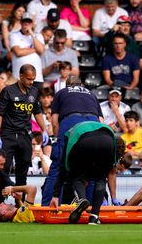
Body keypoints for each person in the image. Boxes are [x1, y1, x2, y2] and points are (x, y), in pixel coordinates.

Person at [41, 75, 103, 206]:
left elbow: (54, 121)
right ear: (82, 85)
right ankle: (92, 211)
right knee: (93, 169)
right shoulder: (91, 94)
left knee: (57, 166)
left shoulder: (61, 92)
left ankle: (48, 207)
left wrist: (58, 140)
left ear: (67, 85)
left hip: (71, 122)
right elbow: (101, 121)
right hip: (94, 126)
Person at [50, 121, 124, 225]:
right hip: (108, 140)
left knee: (76, 177)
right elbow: (110, 171)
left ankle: (82, 199)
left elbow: (63, 166)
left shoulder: (68, 134)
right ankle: (94, 217)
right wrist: (113, 197)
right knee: (100, 179)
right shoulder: (101, 127)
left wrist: (55, 195)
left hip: (84, 141)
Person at [0, 64, 48, 187]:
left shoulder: (34, 91)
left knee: (23, 169)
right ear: (21, 76)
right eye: (29, 79)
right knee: (4, 167)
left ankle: (20, 203)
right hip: (8, 134)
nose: (31, 82)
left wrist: (44, 130)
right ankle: (1, 201)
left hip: (25, 135)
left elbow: (37, 112)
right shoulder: (8, 91)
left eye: (33, 79)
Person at [9, 13, 45, 86]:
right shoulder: (14, 35)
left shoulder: (38, 36)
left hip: (37, 78)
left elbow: (41, 50)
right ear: (21, 23)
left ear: (32, 23)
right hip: (19, 77)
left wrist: (32, 34)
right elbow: (18, 52)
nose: (26, 24)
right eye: (24, 22)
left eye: (29, 22)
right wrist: (35, 49)